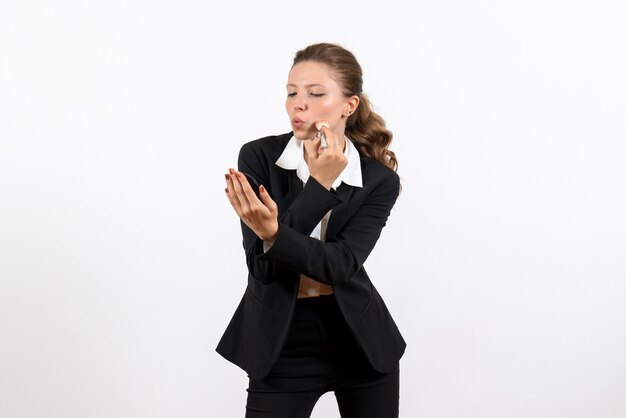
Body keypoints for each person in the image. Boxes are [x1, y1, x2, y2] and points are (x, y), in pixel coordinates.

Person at [217, 42, 406, 418]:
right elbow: (263, 268)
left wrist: (275, 233)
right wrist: (317, 187)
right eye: (291, 92)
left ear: (349, 105)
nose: (297, 104)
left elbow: (339, 265)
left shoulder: (378, 180)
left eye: (315, 93)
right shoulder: (258, 157)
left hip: (360, 340)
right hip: (280, 340)